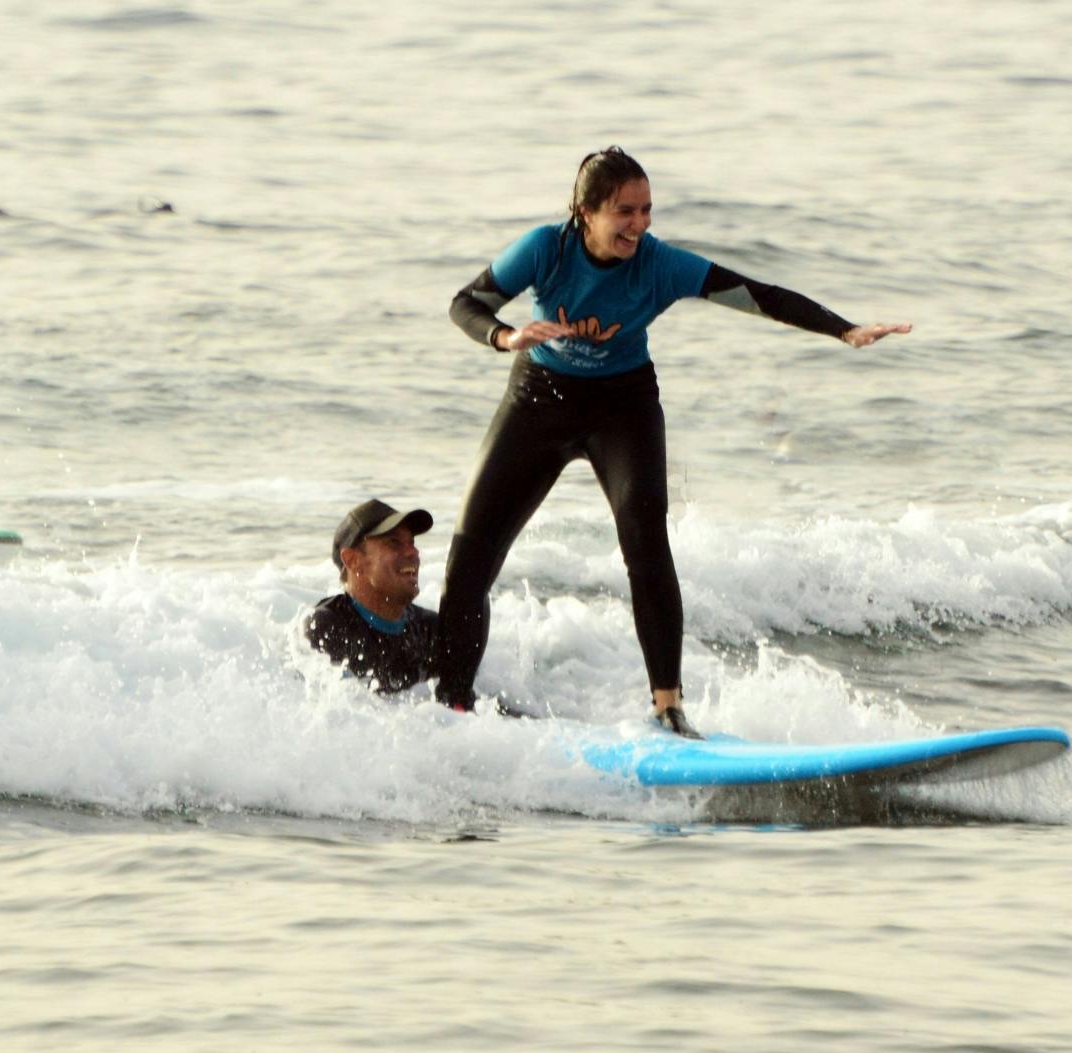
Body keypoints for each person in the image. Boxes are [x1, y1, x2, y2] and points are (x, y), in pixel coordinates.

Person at [440, 147, 912, 736]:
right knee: (471, 552)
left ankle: (668, 707)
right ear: (585, 212)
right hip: (539, 398)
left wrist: (844, 329)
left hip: (622, 406)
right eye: (624, 211)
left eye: (646, 210)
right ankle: (452, 704)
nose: (638, 224)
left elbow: (757, 294)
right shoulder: (544, 249)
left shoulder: (660, 265)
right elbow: (466, 304)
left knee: (646, 544)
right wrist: (504, 336)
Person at [303, 499, 455, 702]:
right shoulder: (327, 628)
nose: (413, 552)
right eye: (394, 542)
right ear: (353, 560)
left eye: (412, 543)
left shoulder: (431, 630)